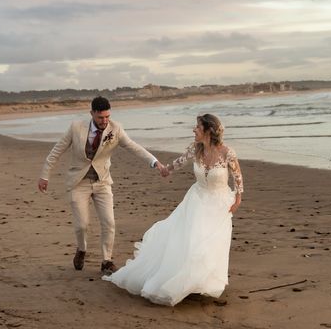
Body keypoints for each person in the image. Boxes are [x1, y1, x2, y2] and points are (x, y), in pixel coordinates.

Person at [103, 113, 243, 306]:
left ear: (209, 131)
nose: (194, 129)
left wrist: (238, 198)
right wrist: (164, 169)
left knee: (212, 243)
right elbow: (178, 163)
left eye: (197, 127)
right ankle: (186, 281)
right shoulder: (196, 149)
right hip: (197, 200)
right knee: (193, 240)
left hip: (219, 203)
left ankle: (204, 283)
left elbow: (237, 178)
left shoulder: (228, 152)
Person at [38, 96, 169, 275]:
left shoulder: (115, 129)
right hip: (79, 183)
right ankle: (82, 249)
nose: (105, 121)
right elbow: (56, 151)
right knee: (81, 225)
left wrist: (155, 162)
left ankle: (106, 261)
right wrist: (45, 175)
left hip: (103, 182)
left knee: (109, 222)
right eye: (101, 117)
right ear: (92, 113)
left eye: (107, 116)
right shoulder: (76, 127)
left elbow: (133, 146)